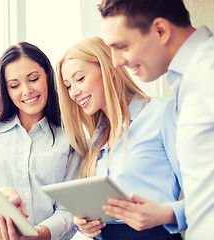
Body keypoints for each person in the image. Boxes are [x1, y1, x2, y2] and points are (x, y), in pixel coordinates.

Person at [98, 0, 214, 239]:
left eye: (122, 46)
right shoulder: (189, 79)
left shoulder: (208, 69)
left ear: (160, 30)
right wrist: (167, 213)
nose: (117, 61)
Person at [56, 36, 186, 240]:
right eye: (68, 86)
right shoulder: (97, 138)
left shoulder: (162, 114)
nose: (73, 92)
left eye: (79, 79)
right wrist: (85, 225)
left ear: (109, 69)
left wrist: (166, 214)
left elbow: (205, 197)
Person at [0, 42, 82, 240]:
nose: (27, 91)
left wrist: (39, 235)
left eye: (34, 79)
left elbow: (70, 210)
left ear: (48, 76)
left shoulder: (71, 137)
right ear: (6, 90)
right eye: (14, 85)